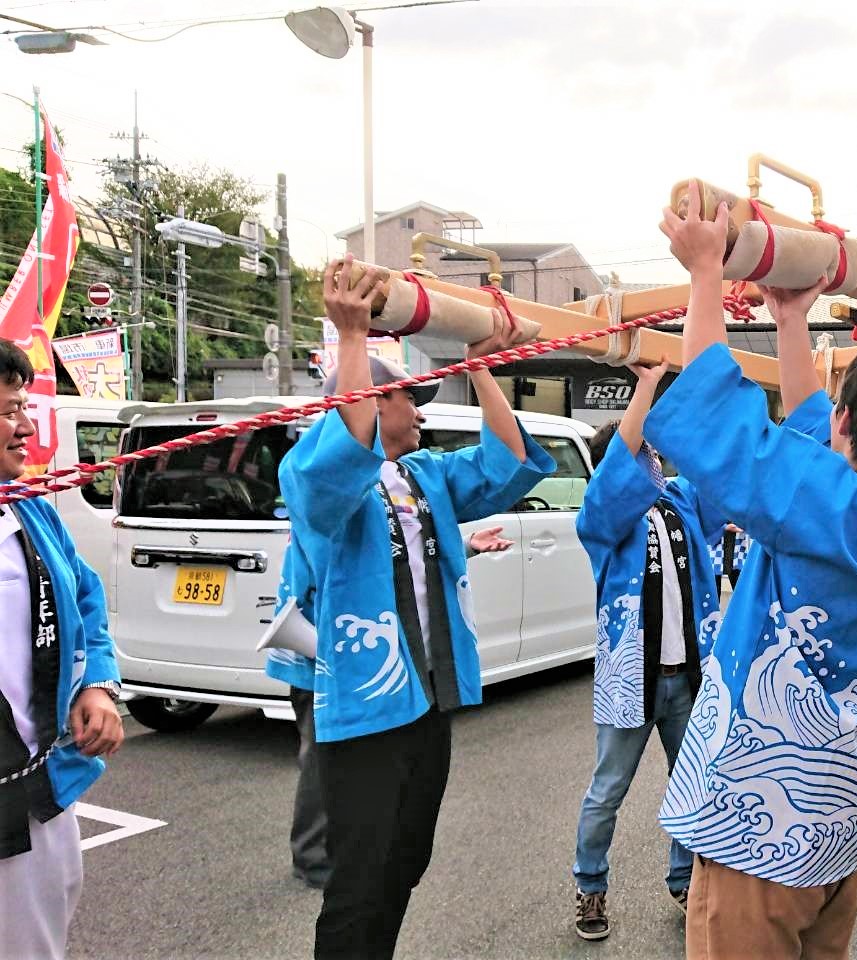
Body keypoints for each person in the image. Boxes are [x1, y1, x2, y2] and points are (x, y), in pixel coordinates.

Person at [652, 188, 857, 959]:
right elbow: (812, 433)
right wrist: (790, 318)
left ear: (848, 424)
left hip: (764, 818)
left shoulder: (832, 505)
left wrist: (707, 275)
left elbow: (722, 428)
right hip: (837, 806)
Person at [280, 256, 553, 960]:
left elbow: (509, 463)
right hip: (367, 704)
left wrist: (482, 366)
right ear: (369, 400)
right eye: (405, 396)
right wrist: (353, 341)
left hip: (429, 695)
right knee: (359, 878)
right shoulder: (314, 472)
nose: (420, 409)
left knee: (406, 860)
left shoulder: (424, 475)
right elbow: (337, 463)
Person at [268, 524, 514, 892]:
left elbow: (402, 556)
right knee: (322, 756)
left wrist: (464, 545)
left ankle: (329, 852)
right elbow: (376, 564)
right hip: (320, 656)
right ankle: (314, 858)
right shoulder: (326, 507)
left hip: (333, 654)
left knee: (334, 758)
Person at [570, 363, 722, 941]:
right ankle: (590, 887)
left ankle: (685, 879)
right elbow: (614, 481)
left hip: (688, 673)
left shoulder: (680, 504)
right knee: (608, 787)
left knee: (692, 780)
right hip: (631, 675)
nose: (655, 463)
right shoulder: (605, 518)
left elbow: (712, 478)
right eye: (644, 455)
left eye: (655, 456)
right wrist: (645, 388)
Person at [0, 340, 125, 960]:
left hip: (38, 785)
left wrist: (96, 683)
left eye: (22, 407)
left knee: (41, 934)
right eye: (6, 412)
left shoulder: (27, 510)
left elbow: (84, 600)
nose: (25, 428)